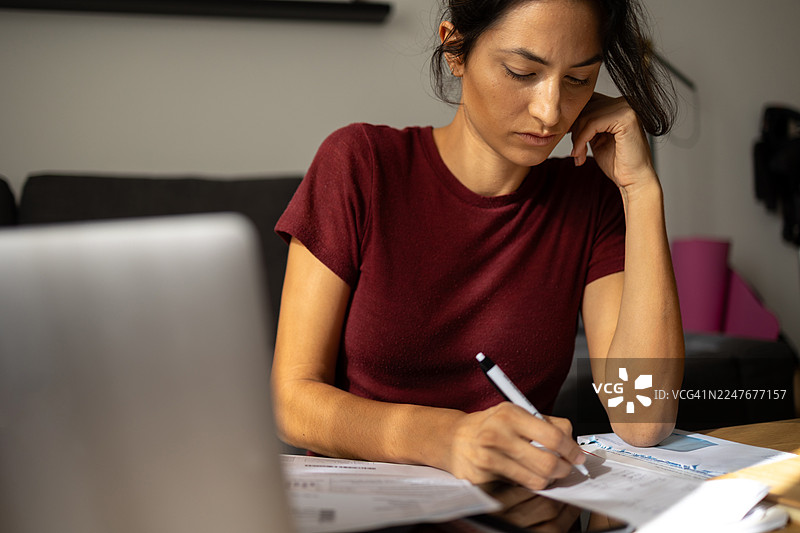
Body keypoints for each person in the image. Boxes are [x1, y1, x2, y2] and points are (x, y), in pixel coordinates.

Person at [272, 0, 685, 491]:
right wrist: (448, 438)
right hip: (363, 504)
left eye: (578, 79)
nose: (550, 111)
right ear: (455, 49)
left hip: (513, 509)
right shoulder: (361, 165)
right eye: (521, 72)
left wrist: (641, 189)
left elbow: (643, 419)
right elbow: (291, 401)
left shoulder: (590, 198)